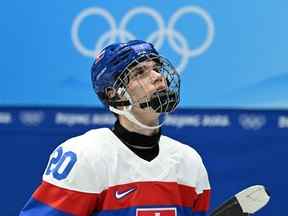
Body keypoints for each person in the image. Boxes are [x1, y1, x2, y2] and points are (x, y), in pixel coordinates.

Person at [19, 40, 211, 216]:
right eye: (140, 72)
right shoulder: (86, 156)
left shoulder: (189, 161)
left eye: (157, 68)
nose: (158, 77)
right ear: (114, 95)